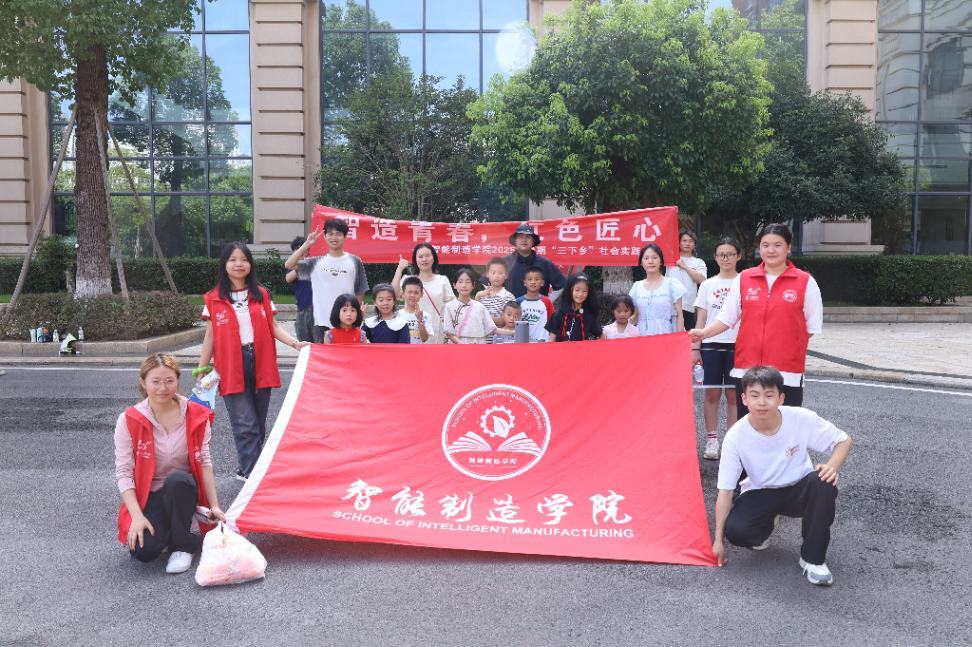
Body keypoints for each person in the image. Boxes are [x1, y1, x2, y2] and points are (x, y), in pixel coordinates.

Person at [712, 366, 853, 586]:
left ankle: (813, 559)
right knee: (737, 531)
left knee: (823, 481)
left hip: (799, 488)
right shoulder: (735, 436)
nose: (761, 402)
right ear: (744, 399)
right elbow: (726, 490)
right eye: (754, 395)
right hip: (761, 491)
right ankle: (768, 522)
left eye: (769, 395)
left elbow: (843, 440)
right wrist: (718, 540)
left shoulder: (800, 418)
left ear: (781, 398)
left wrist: (832, 466)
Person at [199, 243, 308, 481]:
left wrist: (295, 343)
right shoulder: (214, 298)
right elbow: (210, 337)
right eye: (233, 260)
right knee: (245, 422)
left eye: (243, 259)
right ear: (224, 265)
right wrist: (202, 368)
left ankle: (247, 467)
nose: (238, 264)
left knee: (257, 422)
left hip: (260, 361)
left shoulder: (261, 294)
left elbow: (273, 326)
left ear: (250, 264)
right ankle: (252, 476)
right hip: (230, 365)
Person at [690, 223, 823, 415]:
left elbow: (811, 327)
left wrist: (787, 346)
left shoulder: (805, 282)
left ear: (788, 247)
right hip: (747, 369)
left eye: (777, 245)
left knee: (785, 425)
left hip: (787, 371)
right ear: (759, 247)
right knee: (748, 425)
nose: (771, 250)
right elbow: (726, 318)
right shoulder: (744, 278)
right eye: (765, 245)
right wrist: (703, 333)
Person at [115, 353, 225, 574]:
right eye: (155, 381)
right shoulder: (128, 420)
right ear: (143, 383)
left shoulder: (196, 415)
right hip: (150, 493)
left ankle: (183, 545)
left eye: (169, 381)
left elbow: (205, 461)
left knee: (177, 481)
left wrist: (214, 506)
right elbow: (124, 472)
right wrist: (137, 517)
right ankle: (177, 523)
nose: (162, 388)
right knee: (144, 551)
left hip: (183, 487)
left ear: (177, 381)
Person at [693, 237, 742, 460]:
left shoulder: (745, 282)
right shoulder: (707, 285)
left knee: (734, 395)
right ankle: (711, 440)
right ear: (715, 257)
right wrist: (696, 348)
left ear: (738, 256)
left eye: (730, 254)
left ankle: (732, 442)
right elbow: (701, 318)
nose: (726, 258)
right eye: (722, 254)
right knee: (711, 393)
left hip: (739, 344)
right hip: (711, 344)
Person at [285, 218, 369, 343]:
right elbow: (289, 264)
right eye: (330, 234)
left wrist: (357, 317)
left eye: (338, 234)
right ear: (325, 236)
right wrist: (306, 244)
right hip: (322, 323)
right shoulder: (316, 262)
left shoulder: (354, 261)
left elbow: (360, 291)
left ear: (345, 236)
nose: (334, 237)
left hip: (347, 323)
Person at [392, 243, 456, 344]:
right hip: (411, 331)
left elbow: (452, 307)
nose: (424, 259)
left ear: (433, 258)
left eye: (427, 256)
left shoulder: (442, 280)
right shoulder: (408, 280)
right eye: (420, 256)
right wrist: (399, 269)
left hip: (436, 332)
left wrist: (448, 331)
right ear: (415, 260)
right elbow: (394, 295)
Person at [497, 222, 566, 299]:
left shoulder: (544, 263)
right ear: (515, 241)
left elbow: (561, 285)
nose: (524, 240)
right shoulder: (503, 262)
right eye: (520, 237)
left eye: (527, 237)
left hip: (537, 306)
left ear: (533, 241)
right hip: (511, 306)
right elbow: (489, 284)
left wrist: (547, 302)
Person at [629, 243, 685, 335]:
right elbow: (635, 317)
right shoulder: (636, 287)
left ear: (661, 261)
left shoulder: (672, 285)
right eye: (646, 258)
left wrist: (680, 338)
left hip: (665, 335)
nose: (650, 261)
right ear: (641, 262)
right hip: (642, 335)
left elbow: (679, 316)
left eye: (654, 258)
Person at [666, 229, 707, 330]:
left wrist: (685, 267)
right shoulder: (670, 260)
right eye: (684, 241)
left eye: (691, 241)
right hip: (669, 304)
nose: (687, 243)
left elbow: (702, 280)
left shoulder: (698, 262)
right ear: (679, 243)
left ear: (694, 244)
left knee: (687, 336)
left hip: (688, 305)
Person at [443, 268, 497, 344]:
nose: (464, 285)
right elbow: (449, 332)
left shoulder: (480, 306)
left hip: (478, 345)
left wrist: (512, 332)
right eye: (460, 282)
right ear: (454, 285)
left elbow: (492, 328)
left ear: (473, 285)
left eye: (468, 282)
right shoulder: (449, 306)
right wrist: (461, 344)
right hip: (457, 347)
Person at [546, 273, 602, 342]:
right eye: (577, 290)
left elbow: (600, 335)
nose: (580, 294)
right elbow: (551, 341)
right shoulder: (558, 315)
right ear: (570, 290)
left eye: (584, 291)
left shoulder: (589, 316)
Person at [477, 256, 516, 341]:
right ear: (487, 274)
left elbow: (506, 321)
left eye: (500, 273)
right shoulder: (481, 295)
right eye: (493, 273)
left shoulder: (509, 297)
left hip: (500, 341)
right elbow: (476, 317)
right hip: (482, 341)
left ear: (506, 275)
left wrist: (485, 319)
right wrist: (478, 297)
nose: (496, 276)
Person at [285, 236, 314, 343]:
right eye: (297, 249)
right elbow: (288, 278)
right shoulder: (293, 266)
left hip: (317, 308)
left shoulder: (313, 263)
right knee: (304, 343)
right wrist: (299, 265)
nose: (301, 252)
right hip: (302, 308)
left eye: (304, 248)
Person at [516, 267, 554, 342]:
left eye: (536, 279)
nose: (533, 282)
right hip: (522, 342)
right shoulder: (518, 302)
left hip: (543, 342)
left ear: (542, 283)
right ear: (525, 282)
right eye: (530, 279)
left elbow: (553, 322)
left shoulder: (547, 301)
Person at [400, 276, 435, 344]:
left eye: (416, 293)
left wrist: (420, 320)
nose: (412, 295)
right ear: (403, 294)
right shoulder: (396, 315)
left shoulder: (426, 315)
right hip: (401, 350)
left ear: (421, 294)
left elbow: (424, 339)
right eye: (409, 292)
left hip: (419, 350)